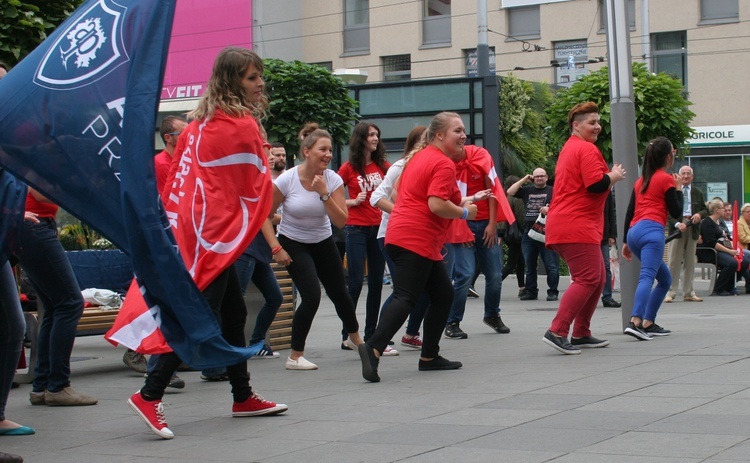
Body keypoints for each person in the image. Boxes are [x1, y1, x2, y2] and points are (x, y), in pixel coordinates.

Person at [128, 47, 288, 440]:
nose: (260, 83)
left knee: (232, 315)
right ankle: (149, 394)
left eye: (258, 76)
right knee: (197, 316)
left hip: (196, 235)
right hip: (216, 240)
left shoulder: (198, 124)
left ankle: (242, 396)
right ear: (233, 80)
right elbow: (258, 190)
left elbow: (182, 187)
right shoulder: (242, 125)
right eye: (252, 78)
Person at [358, 112, 481, 382]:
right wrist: (465, 213)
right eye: (457, 131)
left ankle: (429, 356)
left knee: (442, 294)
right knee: (406, 297)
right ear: (439, 135)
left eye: (464, 131)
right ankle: (373, 346)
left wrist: (461, 204)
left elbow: (404, 195)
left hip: (404, 235)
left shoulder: (419, 158)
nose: (463, 136)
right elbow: (436, 204)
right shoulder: (442, 163)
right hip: (416, 238)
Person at [267, 123, 364, 371]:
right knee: (311, 295)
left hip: (322, 240)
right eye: (323, 149)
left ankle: (354, 339)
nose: (328, 155)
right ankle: (295, 355)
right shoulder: (288, 179)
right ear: (307, 151)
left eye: (330, 150)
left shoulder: (332, 179)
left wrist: (324, 194)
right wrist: (276, 248)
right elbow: (263, 216)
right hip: (293, 242)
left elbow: (341, 220)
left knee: (340, 293)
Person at [542, 101, 626, 355]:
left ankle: (581, 333)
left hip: (571, 224)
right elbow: (596, 184)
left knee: (597, 278)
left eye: (598, 122)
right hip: (575, 224)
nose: (598, 126)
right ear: (575, 125)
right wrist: (614, 175)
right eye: (592, 122)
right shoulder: (586, 150)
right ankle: (557, 330)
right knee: (589, 278)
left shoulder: (571, 148)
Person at [19, 188, 98, 406]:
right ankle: (58, 385)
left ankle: (43, 386)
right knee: (70, 304)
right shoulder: (35, 153)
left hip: (32, 225)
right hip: (35, 224)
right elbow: (41, 192)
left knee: (55, 306)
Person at [370, 125, 429, 349]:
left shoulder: (427, 165)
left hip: (416, 236)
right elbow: (376, 197)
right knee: (403, 291)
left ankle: (411, 333)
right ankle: (378, 338)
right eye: (425, 139)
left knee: (430, 289)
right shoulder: (401, 166)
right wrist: (404, 213)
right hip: (391, 235)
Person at [443, 144, 509, 339]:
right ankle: (452, 322)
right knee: (465, 274)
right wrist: (461, 229)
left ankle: (492, 315)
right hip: (462, 223)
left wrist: (492, 224)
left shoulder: (480, 156)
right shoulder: (444, 163)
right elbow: (447, 200)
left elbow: (493, 191)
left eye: (461, 133)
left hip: (484, 223)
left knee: (495, 275)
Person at [338, 122, 393, 353]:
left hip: (377, 228)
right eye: (370, 134)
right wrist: (352, 202)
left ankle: (371, 334)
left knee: (377, 283)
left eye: (377, 135)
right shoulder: (348, 168)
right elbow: (333, 197)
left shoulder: (385, 166)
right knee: (355, 283)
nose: (375, 138)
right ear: (360, 138)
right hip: (356, 228)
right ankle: (348, 334)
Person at [621, 137, 683, 340]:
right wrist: (679, 189)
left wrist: (625, 242)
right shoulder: (665, 179)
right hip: (651, 231)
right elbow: (677, 212)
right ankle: (635, 321)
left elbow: (630, 211)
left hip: (634, 232)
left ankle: (648, 322)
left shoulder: (640, 182)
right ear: (668, 156)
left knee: (664, 279)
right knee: (647, 276)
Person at [507, 168, 560, 301]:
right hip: (529, 233)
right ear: (533, 178)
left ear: (547, 177)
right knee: (529, 265)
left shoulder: (553, 190)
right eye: (536, 177)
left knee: (551, 265)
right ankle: (531, 291)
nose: (539, 178)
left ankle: (552, 291)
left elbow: (564, 205)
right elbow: (510, 191)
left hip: (548, 232)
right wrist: (524, 179)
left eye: (542, 176)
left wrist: (550, 209)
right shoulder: (527, 190)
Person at [664, 165, 706, 303]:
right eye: (684, 174)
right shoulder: (672, 191)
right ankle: (671, 291)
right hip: (678, 227)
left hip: (692, 226)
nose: (686, 176)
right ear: (679, 176)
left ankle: (689, 291)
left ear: (692, 176)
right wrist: (677, 224)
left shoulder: (697, 192)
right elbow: (667, 212)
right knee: (673, 261)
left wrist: (699, 214)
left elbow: (705, 210)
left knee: (690, 261)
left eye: (689, 174)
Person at [698, 199, 748, 297]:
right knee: (731, 263)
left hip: (721, 249)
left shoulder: (719, 222)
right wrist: (729, 251)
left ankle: (729, 286)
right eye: (722, 208)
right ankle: (719, 287)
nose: (724, 210)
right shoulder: (707, 223)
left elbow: (726, 237)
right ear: (716, 210)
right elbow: (712, 243)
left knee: (744, 261)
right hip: (710, 252)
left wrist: (734, 248)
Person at [499, 175, 525, 297]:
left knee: (520, 261)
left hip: (507, 233)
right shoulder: (516, 198)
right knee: (512, 263)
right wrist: (526, 229)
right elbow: (520, 217)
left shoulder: (505, 197)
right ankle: (495, 282)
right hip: (516, 234)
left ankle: (522, 287)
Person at [601, 190, 622, 307]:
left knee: (605, 266)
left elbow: (610, 213)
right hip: (587, 234)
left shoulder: (606, 191)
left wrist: (611, 235)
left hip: (603, 235)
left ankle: (607, 296)